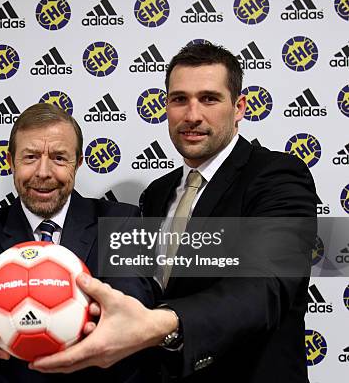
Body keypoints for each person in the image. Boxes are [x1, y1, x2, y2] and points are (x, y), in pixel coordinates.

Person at [30, 42, 317, 383]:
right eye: (179, 99)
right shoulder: (158, 193)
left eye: (209, 98)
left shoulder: (277, 176)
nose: (192, 115)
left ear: (238, 107)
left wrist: (162, 322)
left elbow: (266, 285)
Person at [0, 103, 155, 382]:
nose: (43, 172)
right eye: (30, 157)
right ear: (9, 161)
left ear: (78, 162)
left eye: (59, 158)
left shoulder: (121, 220)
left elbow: (130, 306)